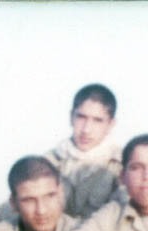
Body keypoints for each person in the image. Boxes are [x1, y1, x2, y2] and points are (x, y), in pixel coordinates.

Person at [45, 83, 123, 219]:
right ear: (71, 117)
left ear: (111, 124)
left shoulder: (121, 166)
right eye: (81, 117)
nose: (86, 129)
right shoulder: (48, 163)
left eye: (97, 120)